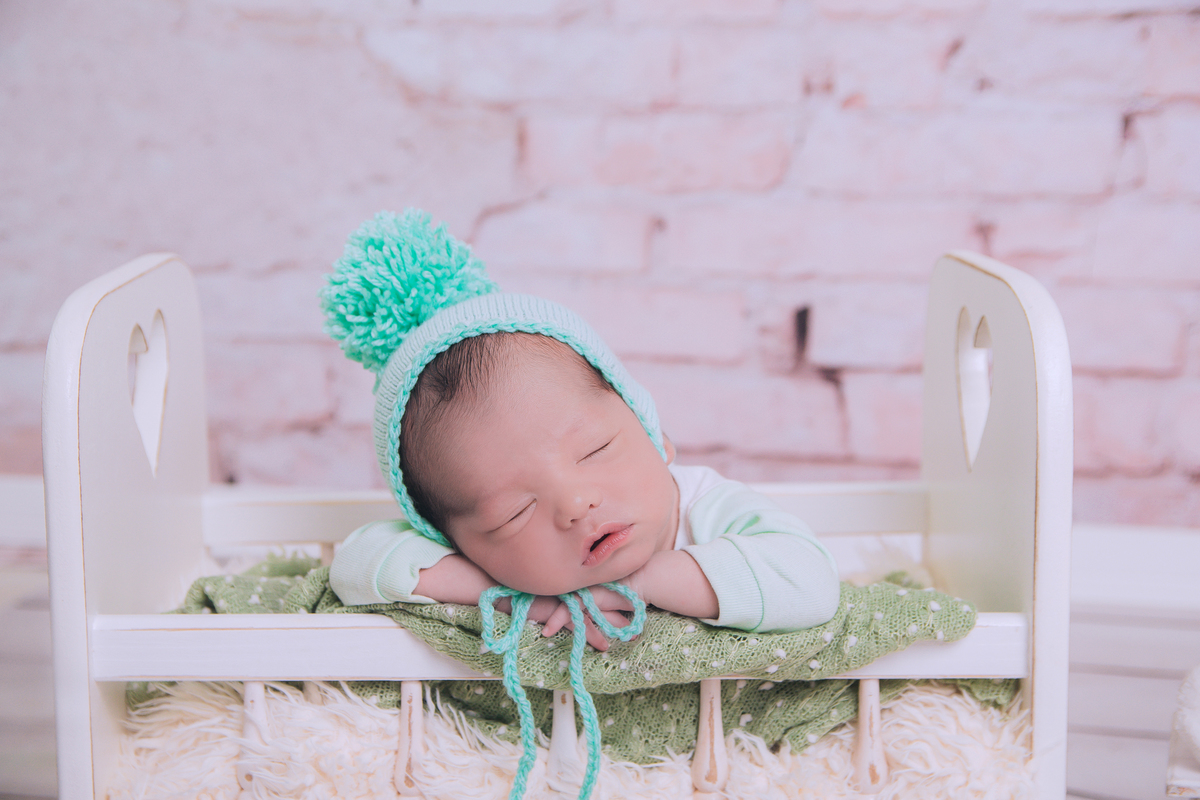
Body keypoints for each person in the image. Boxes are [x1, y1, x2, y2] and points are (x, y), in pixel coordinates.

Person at [322, 209, 840, 651]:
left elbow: (810, 582)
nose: (574, 503)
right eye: (514, 513)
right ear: (456, 541)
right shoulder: (495, 567)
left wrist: (639, 584)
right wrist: (512, 597)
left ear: (653, 434)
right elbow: (355, 564)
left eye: (595, 449)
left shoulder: (705, 507)